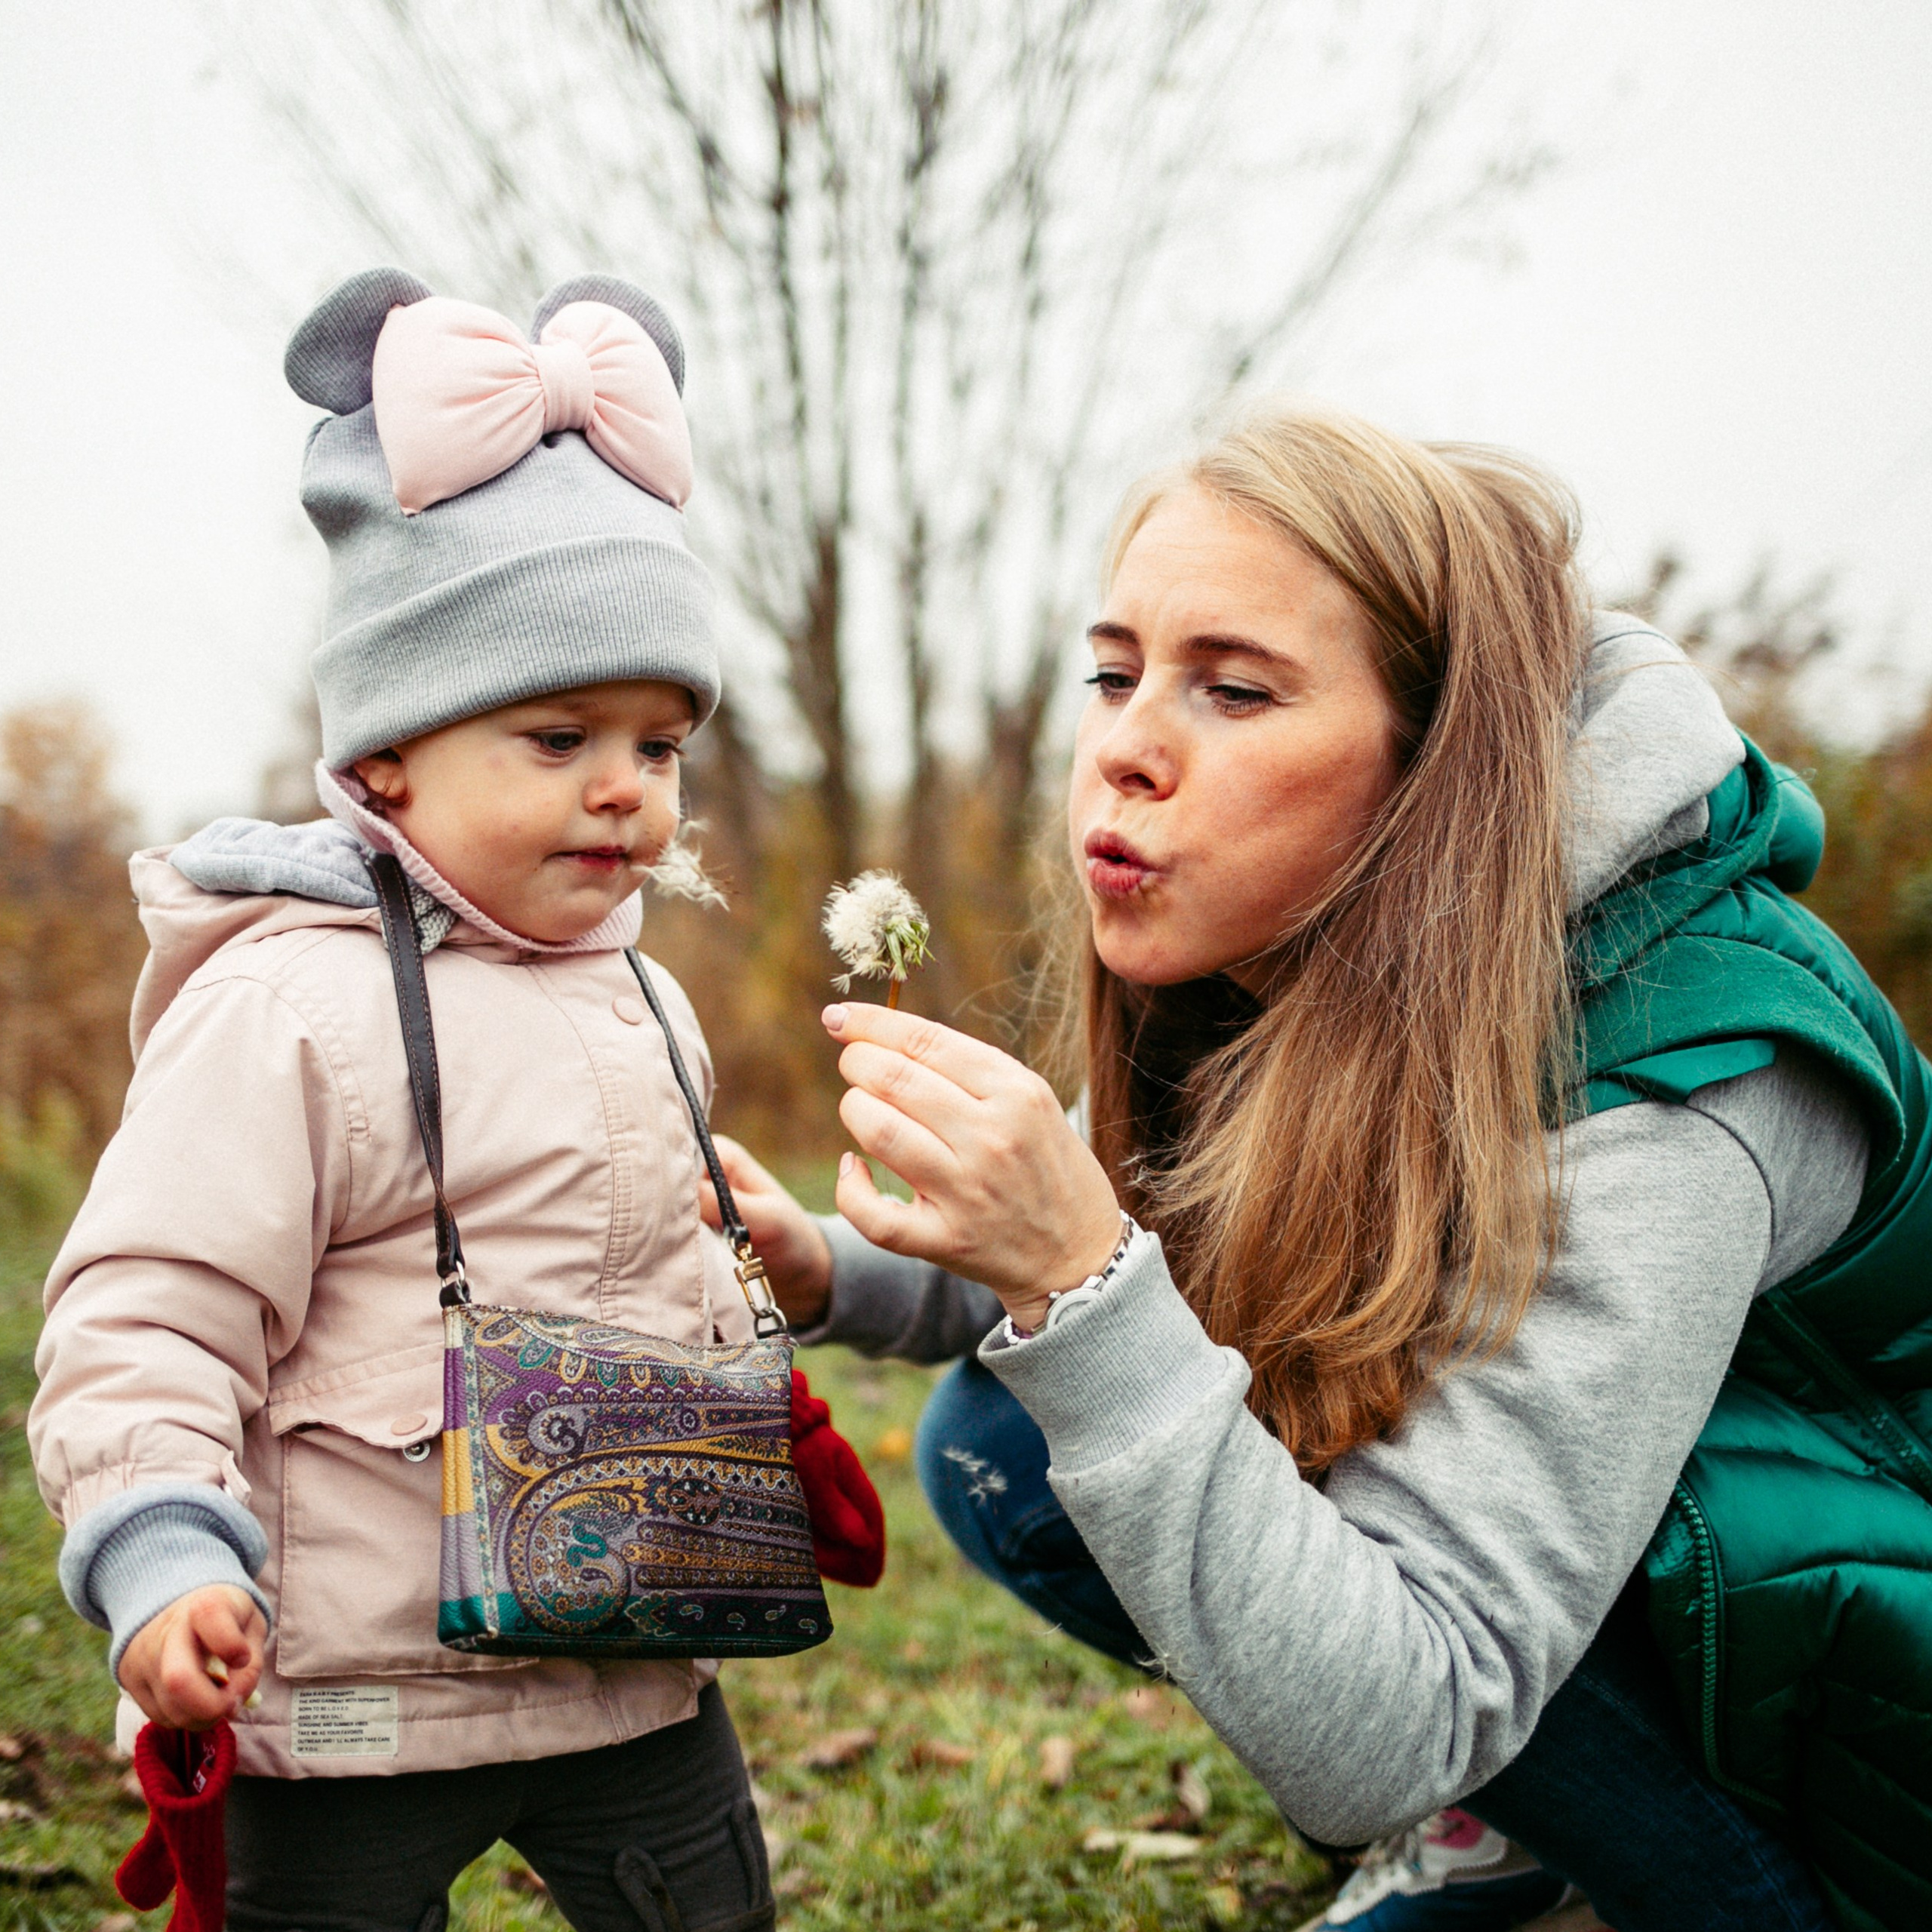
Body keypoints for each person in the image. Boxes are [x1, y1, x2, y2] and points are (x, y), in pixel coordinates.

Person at [702, 406, 1932, 1930]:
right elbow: (1144, 1229)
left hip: (1866, 1761)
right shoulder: (1295, 948)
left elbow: (1387, 1718)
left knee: (1129, 1416)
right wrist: (833, 1267)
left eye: (1230, 687)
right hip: (1659, 1611)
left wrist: (1079, 1281)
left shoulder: (1686, 1076)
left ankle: (1584, 1828)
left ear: (1437, 762)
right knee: (1005, 1440)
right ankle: (1512, 1831)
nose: (1125, 747)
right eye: (1113, 670)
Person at [31, 269, 778, 1932]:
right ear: (382, 759)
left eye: (659, 746)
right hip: (349, 1702)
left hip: (631, 1667)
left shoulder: (645, 997)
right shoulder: (285, 1004)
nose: (621, 789)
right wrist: (164, 1553)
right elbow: (149, 1312)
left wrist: (749, 1304)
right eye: (557, 731)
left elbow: (647, 1275)